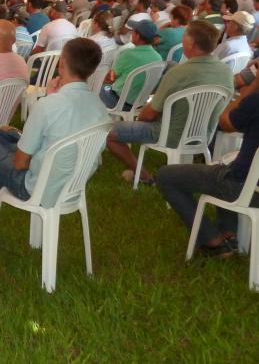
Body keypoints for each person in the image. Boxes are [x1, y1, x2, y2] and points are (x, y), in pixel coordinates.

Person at [0, 38, 108, 240]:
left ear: (62, 63)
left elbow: (20, 163)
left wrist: (48, 99)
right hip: (70, 183)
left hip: (35, 187)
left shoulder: (49, 106)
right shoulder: (99, 107)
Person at [105, 21, 234, 184]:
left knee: (109, 133)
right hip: (204, 135)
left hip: (168, 134)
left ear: (192, 43)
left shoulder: (178, 72)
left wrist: (139, 120)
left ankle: (144, 176)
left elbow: (149, 115)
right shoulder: (226, 72)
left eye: (184, 36)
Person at [157, 75, 259, 257]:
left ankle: (212, 241)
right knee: (222, 168)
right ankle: (229, 233)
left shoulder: (255, 102)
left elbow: (225, 122)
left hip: (246, 188)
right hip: (251, 184)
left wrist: (254, 85)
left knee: (165, 176)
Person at [99, 20, 162, 108]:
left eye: (133, 31)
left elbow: (110, 78)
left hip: (118, 101)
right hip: (140, 104)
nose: (131, 34)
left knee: (96, 88)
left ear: (137, 36)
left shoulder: (128, 54)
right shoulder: (158, 58)